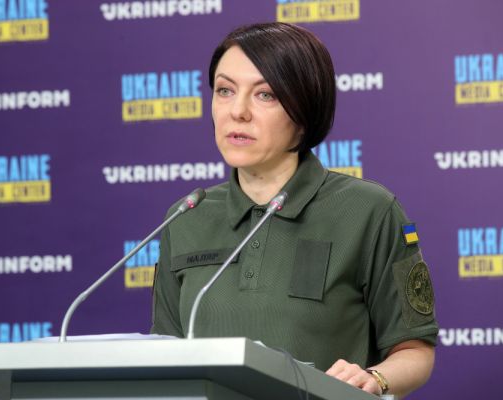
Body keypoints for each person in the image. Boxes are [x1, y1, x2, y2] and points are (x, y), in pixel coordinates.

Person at [151, 22, 438, 398]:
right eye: (224, 90)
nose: (237, 111)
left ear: (305, 110)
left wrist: (375, 378)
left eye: (265, 95)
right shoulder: (187, 216)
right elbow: (165, 354)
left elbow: (415, 349)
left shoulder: (370, 211)